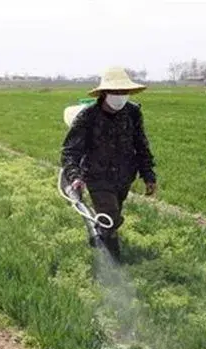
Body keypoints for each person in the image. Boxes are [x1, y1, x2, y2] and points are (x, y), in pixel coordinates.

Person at [60, 67, 157, 263]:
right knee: (110, 217)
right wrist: (75, 177)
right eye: (116, 92)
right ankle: (115, 265)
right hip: (97, 176)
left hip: (124, 176)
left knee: (111, 217)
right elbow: (70, 151)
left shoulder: (133, 113)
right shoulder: (88, 117)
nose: (120, 96)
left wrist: (149, 175)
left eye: (124, 92)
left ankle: (100, 235)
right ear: (104, 93)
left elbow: (141, 144)